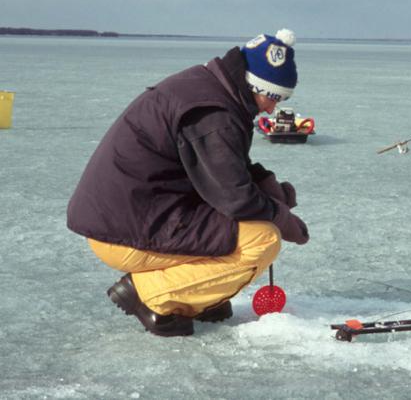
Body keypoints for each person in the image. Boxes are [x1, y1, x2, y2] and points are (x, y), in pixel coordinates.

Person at [67, 29, 309, 337]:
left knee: (235, 224)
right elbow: (235, 198)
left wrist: (263, 182)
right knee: (262, 238)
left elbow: (221, 165)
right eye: (273, 97)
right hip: (124, 230)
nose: (272, 109)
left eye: (282, 100)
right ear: (253, 85)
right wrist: (280, 216)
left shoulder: (209, 87)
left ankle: (198, 300)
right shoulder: (214, 114)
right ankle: (151, 294)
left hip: (128, 213)